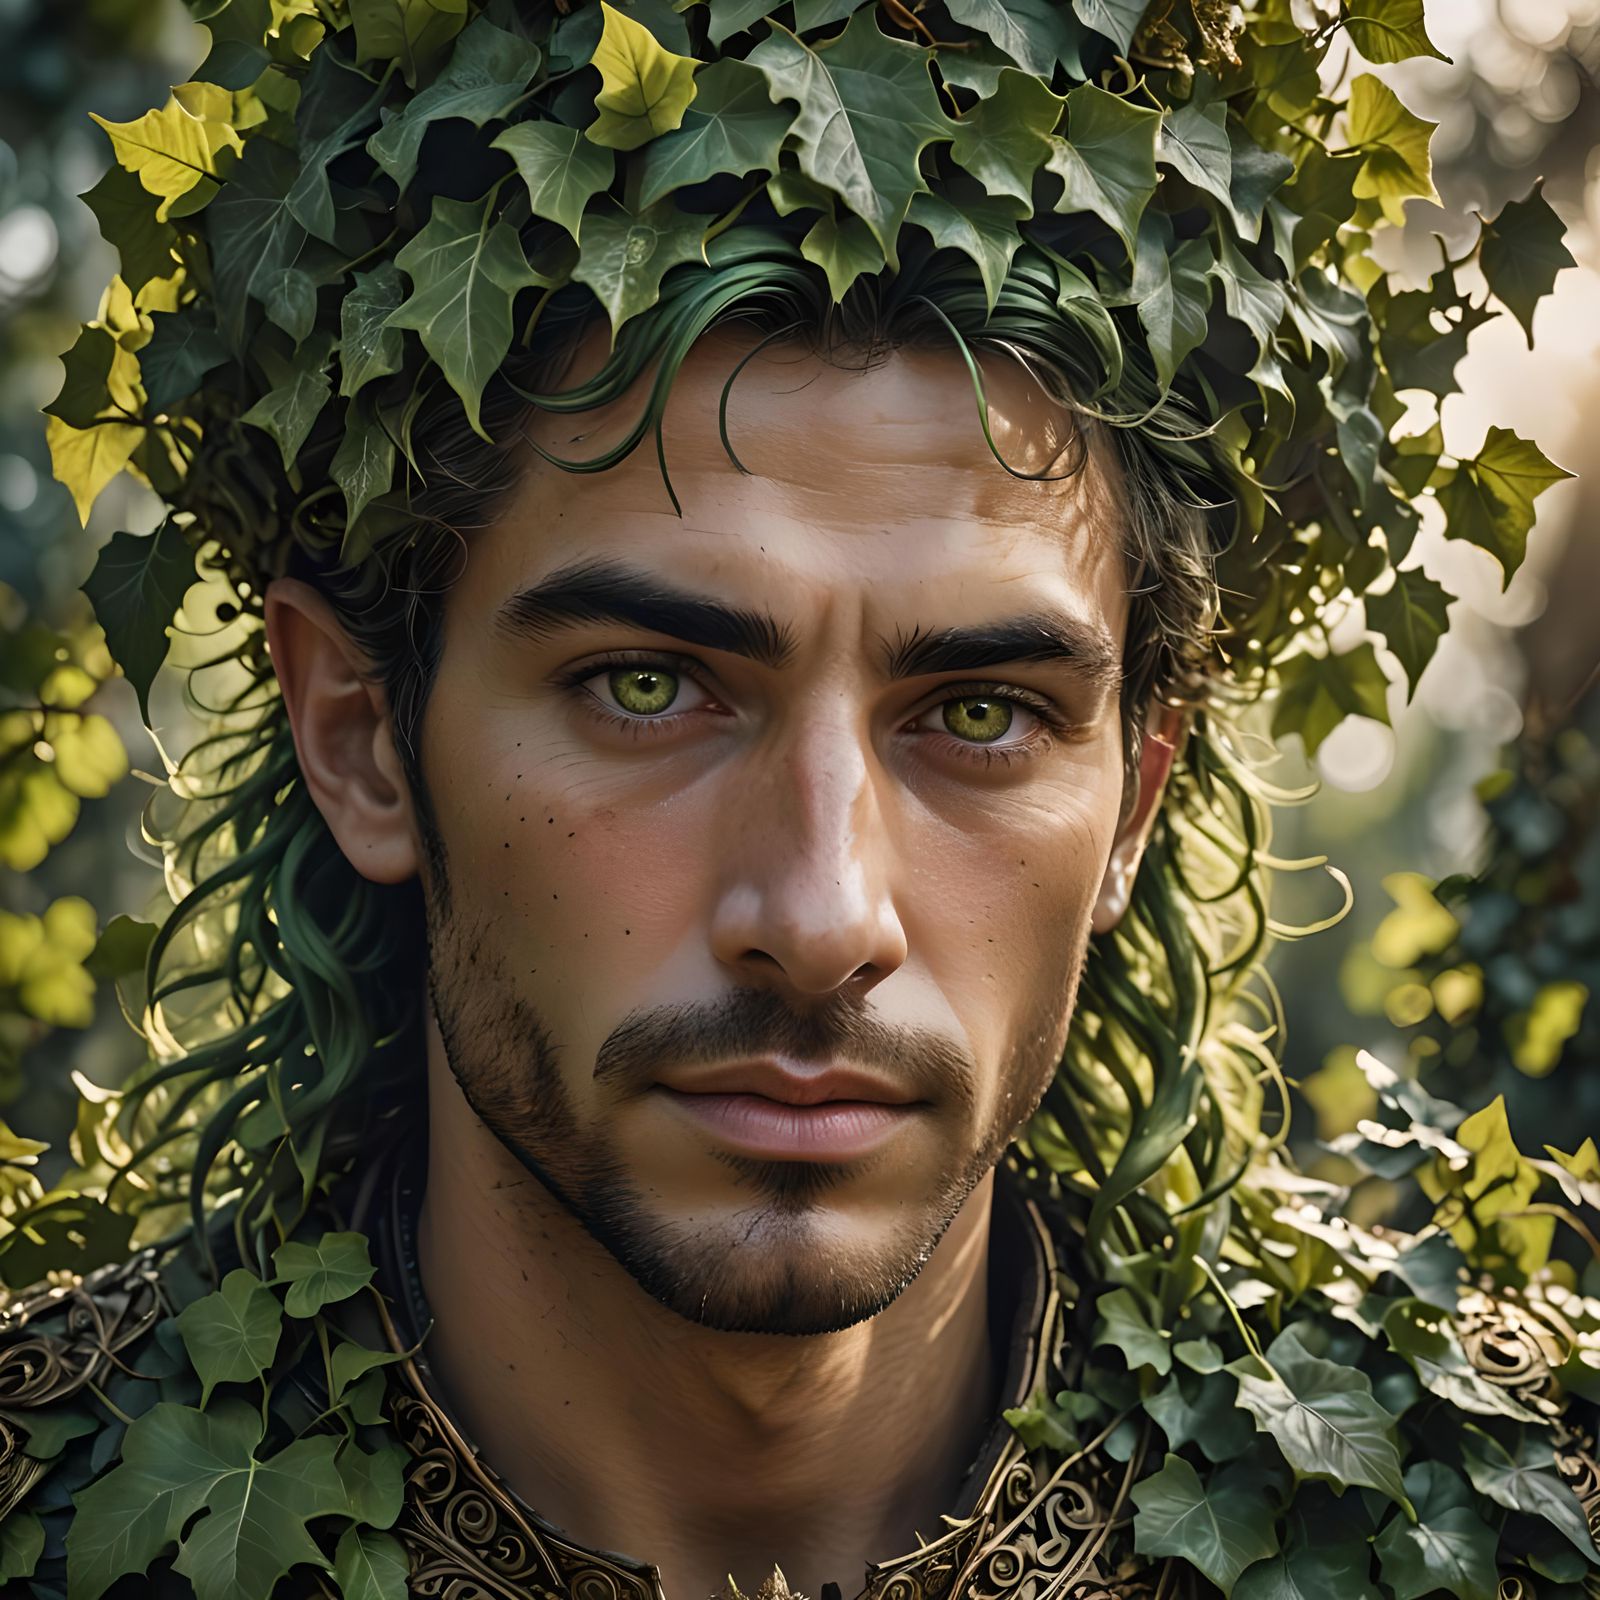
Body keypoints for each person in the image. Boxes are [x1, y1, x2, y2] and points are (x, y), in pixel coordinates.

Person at [8, 1, 1599, 1596]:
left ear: (1132, 807)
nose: (826, 917)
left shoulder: (1511, 1528)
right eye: (649, 685)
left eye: (980, 712)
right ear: (360, 736)